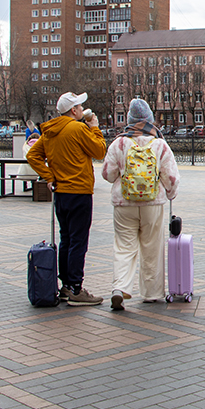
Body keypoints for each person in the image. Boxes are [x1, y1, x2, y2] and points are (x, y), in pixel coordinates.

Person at [27, 91, 107, 306]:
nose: (81, 109)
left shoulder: (50, 131)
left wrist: (49, 176)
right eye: (79, 106)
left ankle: (65, 286)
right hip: (79, 191)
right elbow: (99, 151)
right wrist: (94, 128)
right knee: (79, 241)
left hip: (61, 193)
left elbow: (32, 155)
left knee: (66, 239)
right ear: (73, 110)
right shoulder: (78, 128)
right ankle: (76, 288)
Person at [101, 99, 180, 309]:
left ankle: (120, 288)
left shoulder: (119, 143)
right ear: (150, 119)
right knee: (152, 247)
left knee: (124, 247)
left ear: (129, 119)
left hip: (123, 203)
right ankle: (151, 293)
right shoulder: (159, 144)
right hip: (153, 204)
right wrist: (170, 194)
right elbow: (171, 178)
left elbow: (108, 174)